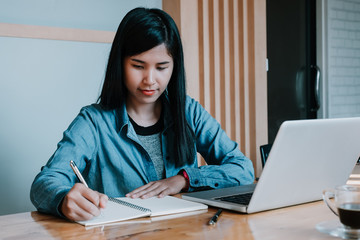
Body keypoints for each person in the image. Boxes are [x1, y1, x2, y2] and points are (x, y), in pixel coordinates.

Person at [30, 7, 254, 222]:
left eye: (161, 67)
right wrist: (63, 200)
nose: (150, 79)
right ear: (120, 63)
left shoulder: (189, 112)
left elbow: (242, 169)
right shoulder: (94, 122)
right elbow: (44, 183)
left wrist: (184, 180)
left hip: (184, 231)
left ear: (174, 67)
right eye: (138, 66)